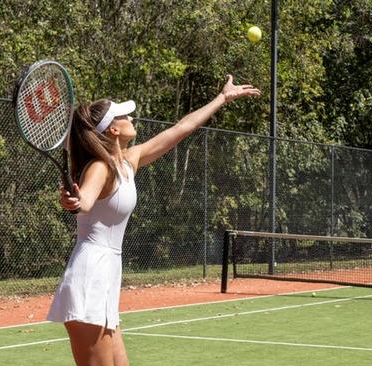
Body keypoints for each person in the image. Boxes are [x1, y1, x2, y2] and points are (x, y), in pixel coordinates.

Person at [46, 75, 260, 366]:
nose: (131, 116)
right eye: (124, 115)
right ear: (113, 129)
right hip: (90, 277)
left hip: (105, 276)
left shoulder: (128, 161)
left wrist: (222, 98)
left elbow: (183, 128)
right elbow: (83, 201)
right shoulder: (100, 167)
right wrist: (73, 201)